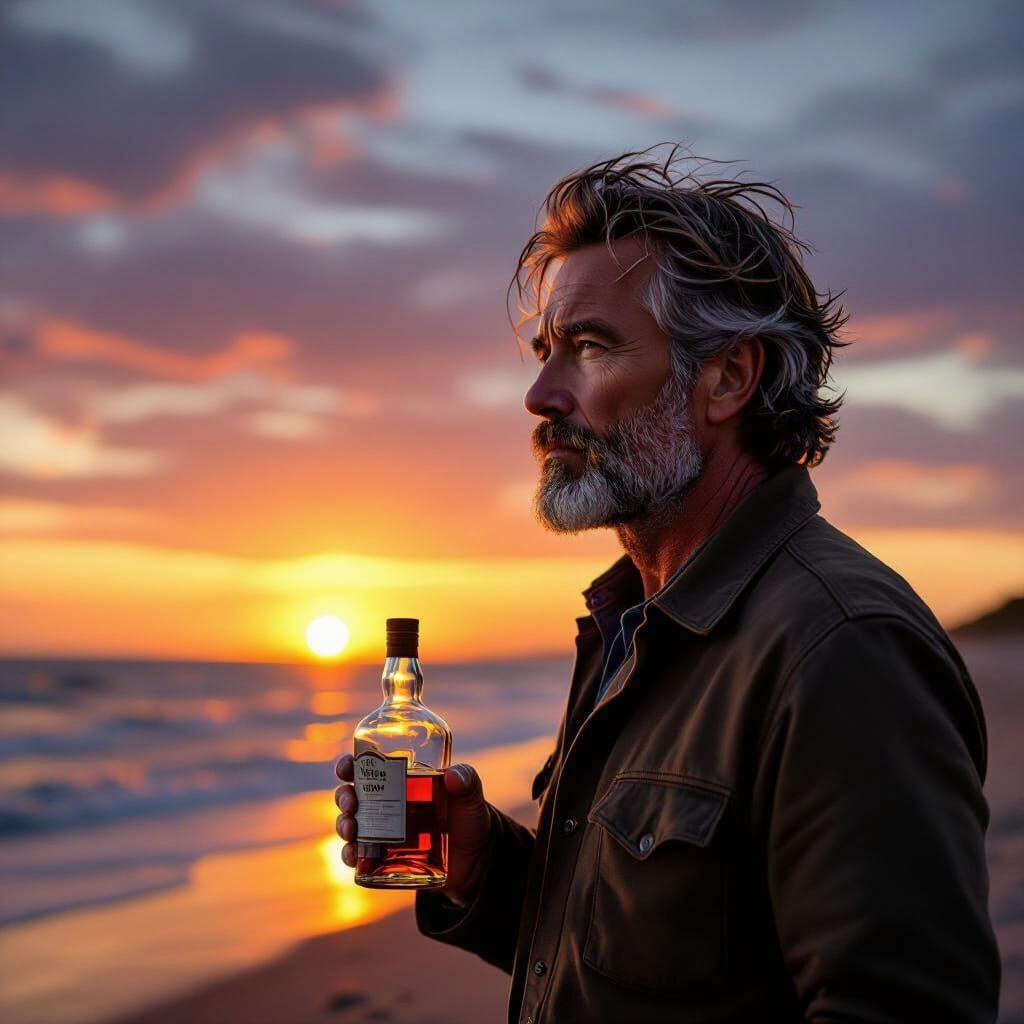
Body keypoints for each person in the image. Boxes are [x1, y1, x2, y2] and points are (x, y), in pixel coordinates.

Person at [334, 146, 1001, 1022]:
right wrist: (482, 866)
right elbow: (664, 966)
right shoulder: (639, 625)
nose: (540, 394)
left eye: (590, 347)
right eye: (544, 350)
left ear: (727, 378)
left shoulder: (841, 648)